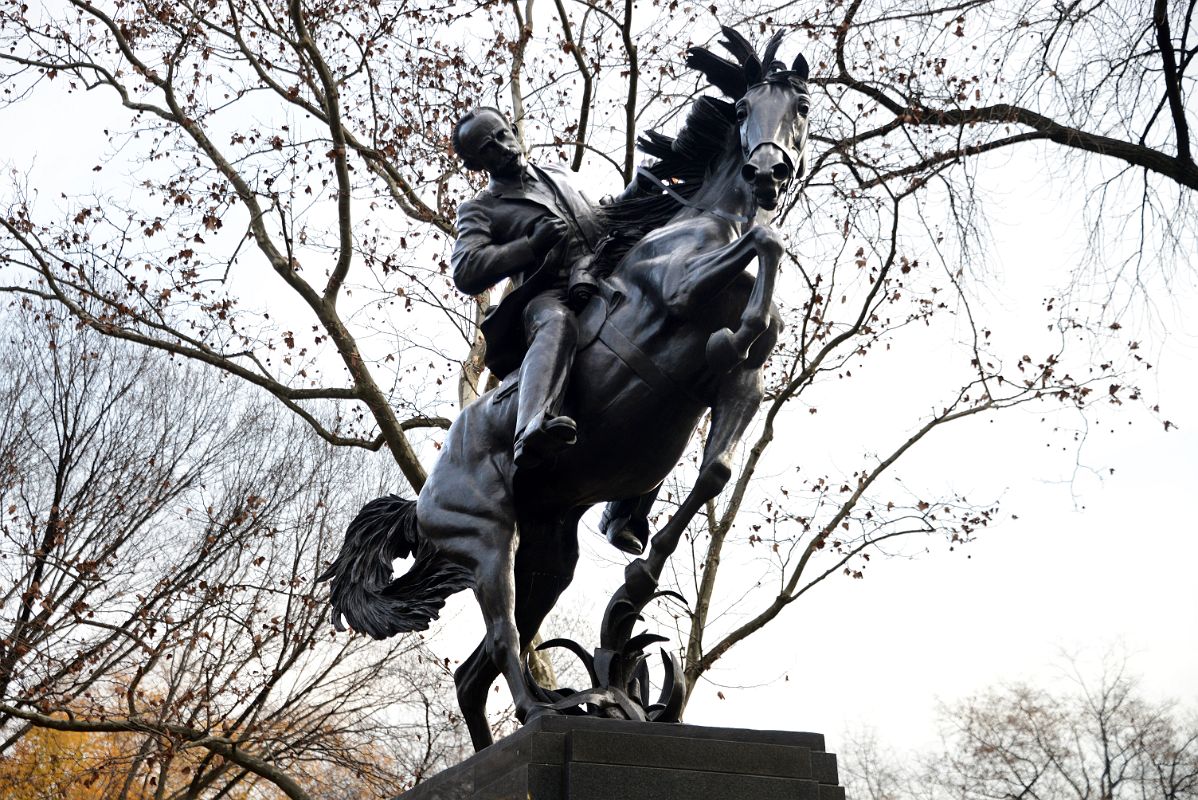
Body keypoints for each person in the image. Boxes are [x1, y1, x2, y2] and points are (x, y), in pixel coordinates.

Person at [450, 107, 652, 553]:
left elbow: (601, 218)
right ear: (475, 164)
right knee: (557, 324)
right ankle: (533, 428)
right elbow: (466, 269)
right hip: (548, 295)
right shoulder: (481, 208)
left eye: (504, 135)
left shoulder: (560, 171)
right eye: (489, 147)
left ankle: (627, 509)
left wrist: (641, 189)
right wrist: (528, 246)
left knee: (665, 335)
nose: (504, 147)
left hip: (602, 278)